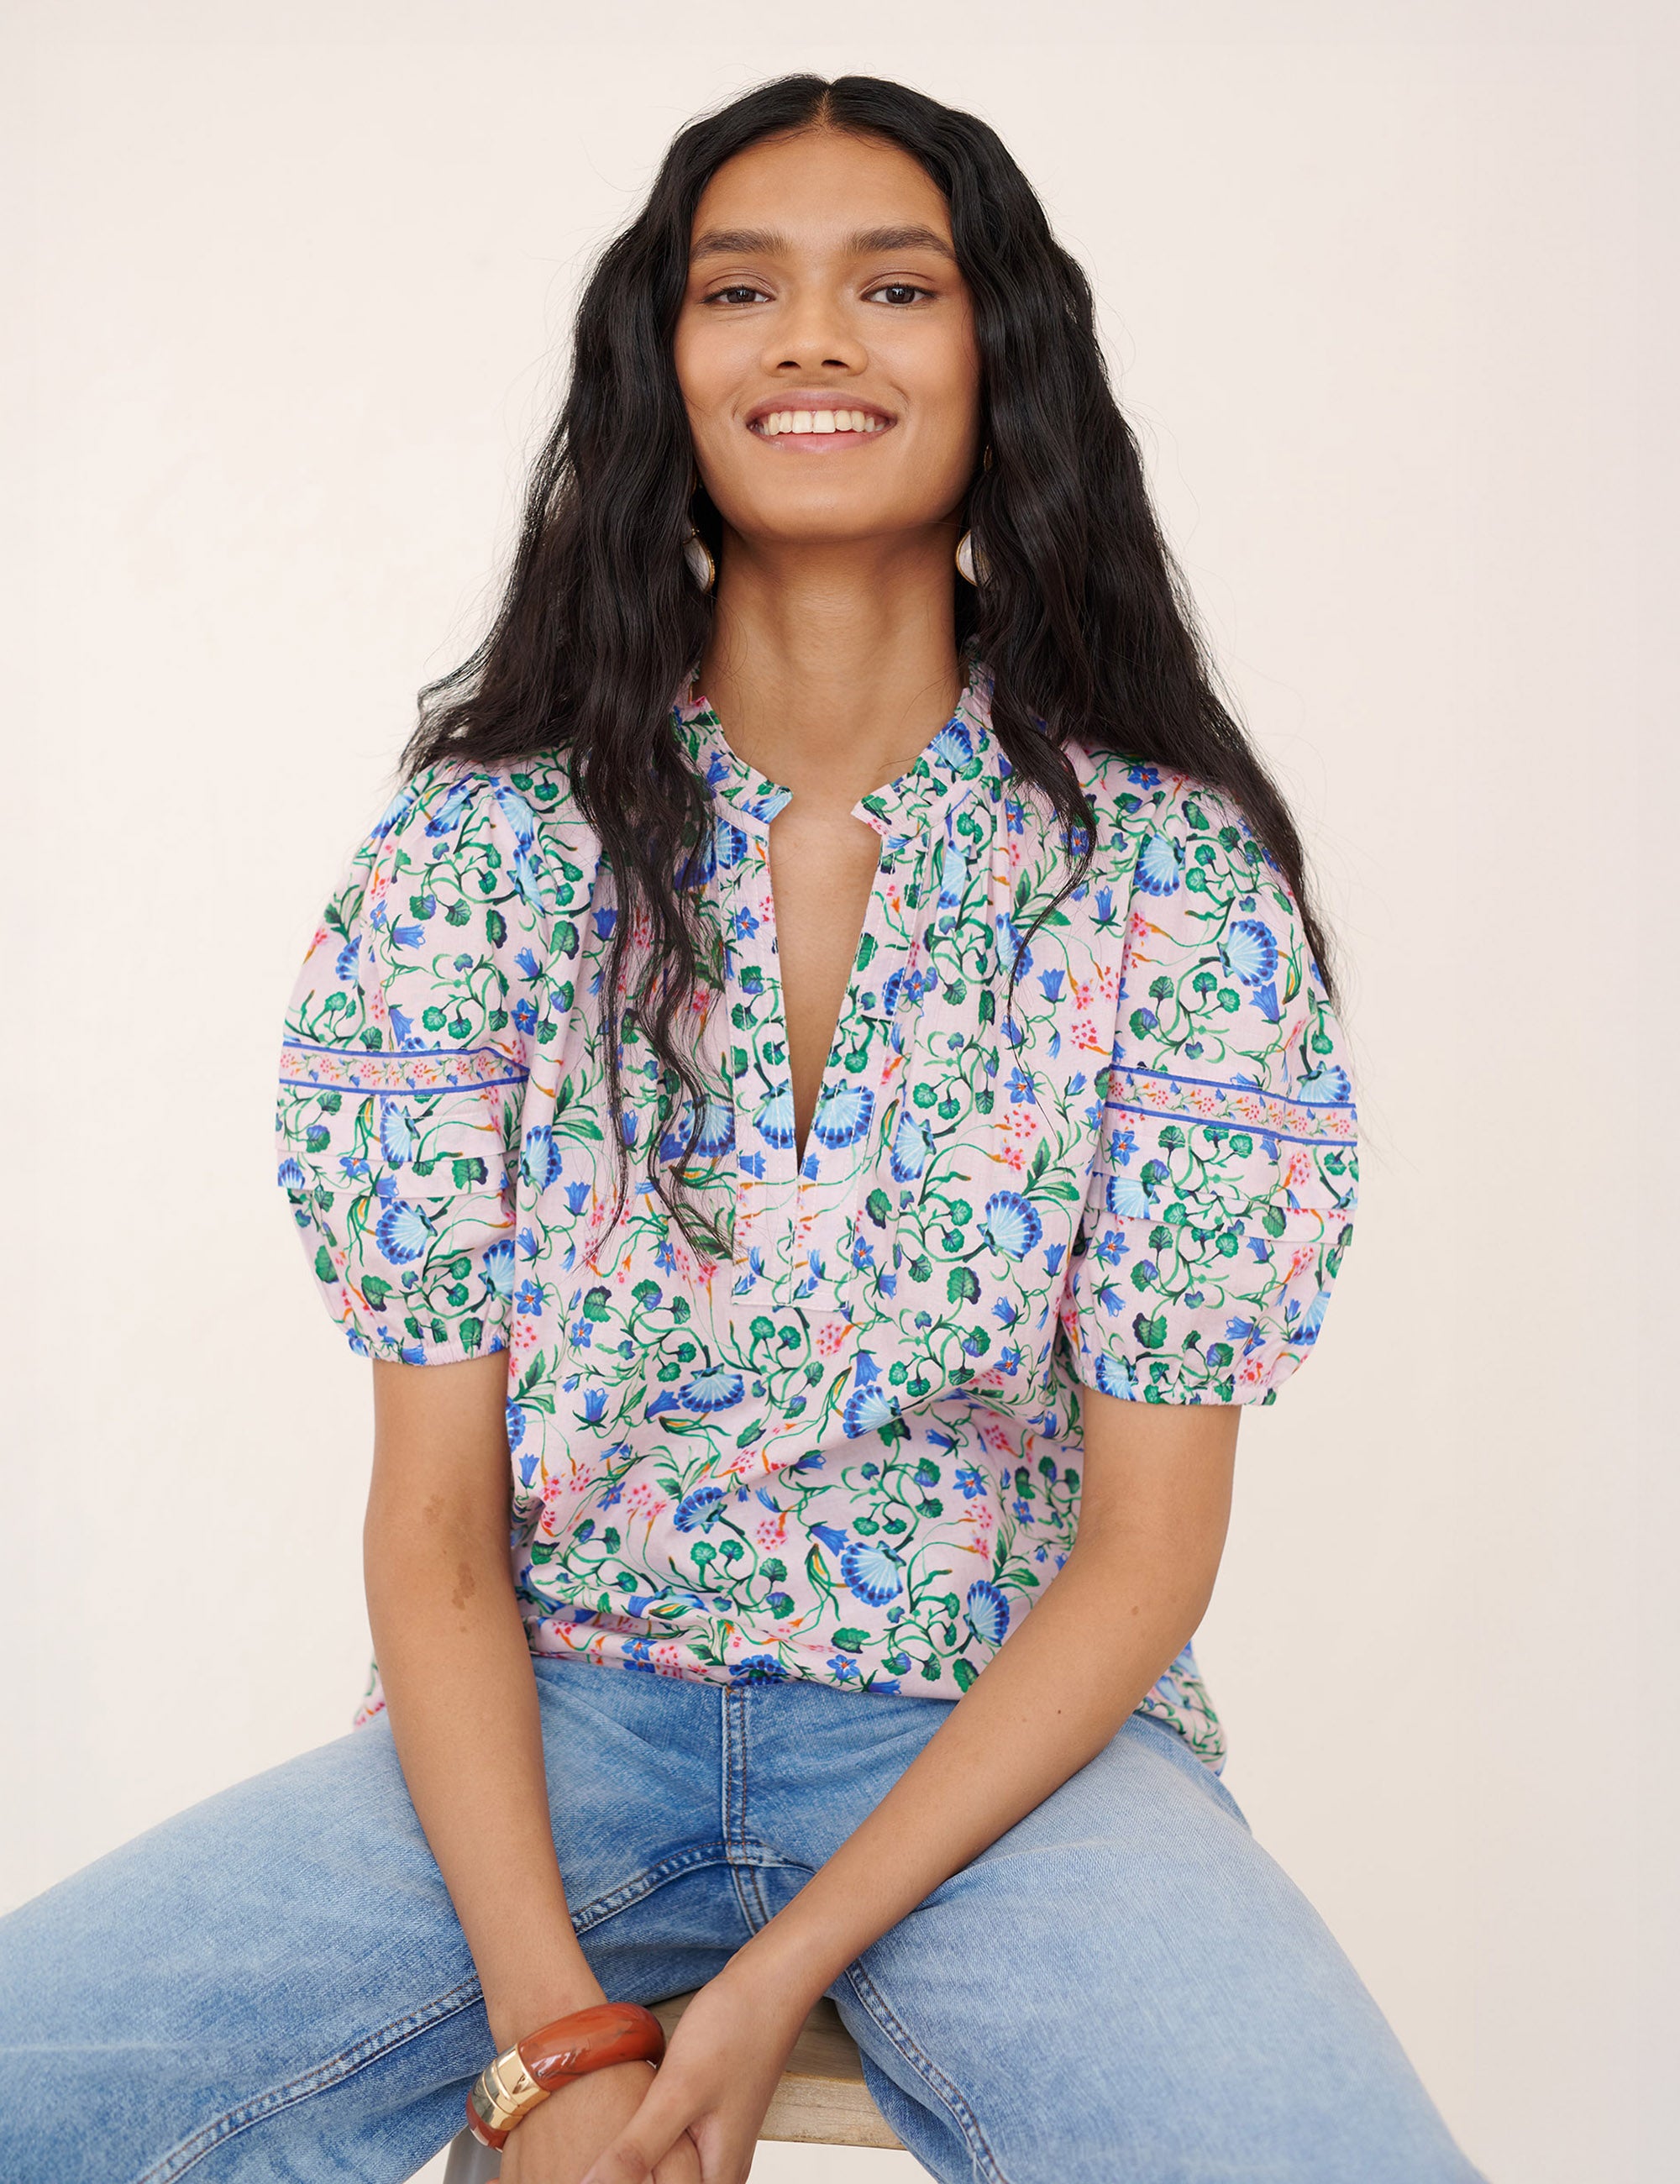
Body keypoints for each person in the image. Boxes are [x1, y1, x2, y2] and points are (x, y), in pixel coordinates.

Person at [0, 72, 1485, 2184]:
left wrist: (780, 1965)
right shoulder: (479, 860)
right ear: (661, 365)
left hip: (1004, 1755)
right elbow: (432, 1534)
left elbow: (1147, 1549)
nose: (810, 339)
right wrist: (550, 2038)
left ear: (1002, 364)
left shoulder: (1171, 885)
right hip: (549, 1715)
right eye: (738, 290)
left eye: (893, 285)